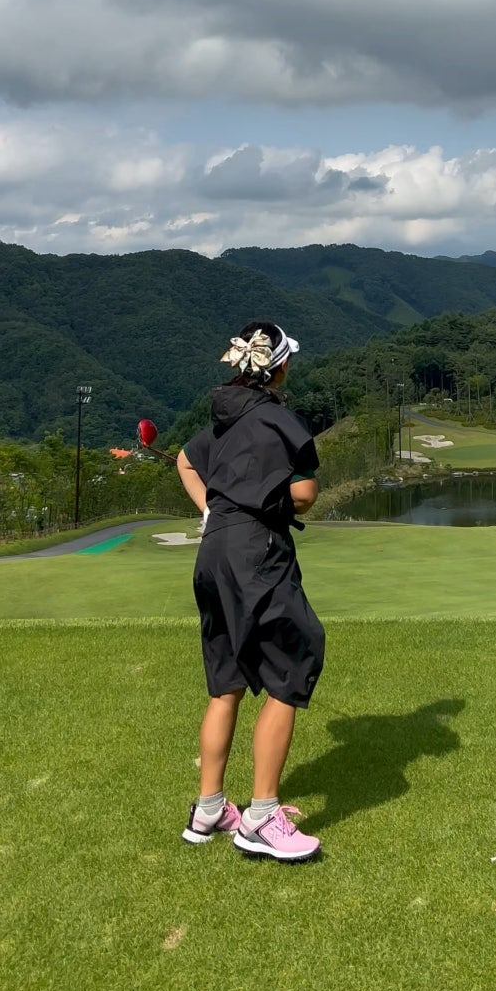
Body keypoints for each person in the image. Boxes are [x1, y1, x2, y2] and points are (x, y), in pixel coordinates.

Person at [176, 320, 325, 862]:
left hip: (212, 550)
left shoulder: (223, 416)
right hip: (256, 550)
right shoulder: (280, 419)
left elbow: (185, 461)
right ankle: (261, 817)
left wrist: (213, 508)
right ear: (279, 366)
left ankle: (210, 807)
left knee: (226, 679)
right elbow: (304, 494)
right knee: (294, 657)